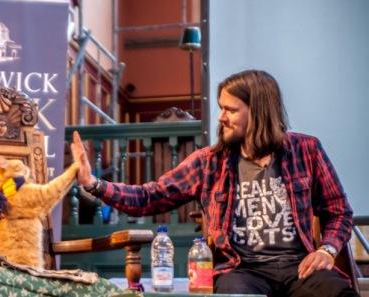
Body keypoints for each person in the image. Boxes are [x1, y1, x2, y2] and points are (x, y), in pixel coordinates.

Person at [71, 69, 358, 297]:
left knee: (336, 292)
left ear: (258, 111)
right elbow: (150, 197)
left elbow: (339, 211)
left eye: (231, 110)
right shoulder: (209, 162)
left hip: (300, 268)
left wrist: (327, 249)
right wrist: (93, 183)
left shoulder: (307, 150)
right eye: (221, 108)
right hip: (242, 271)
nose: (221, 117)